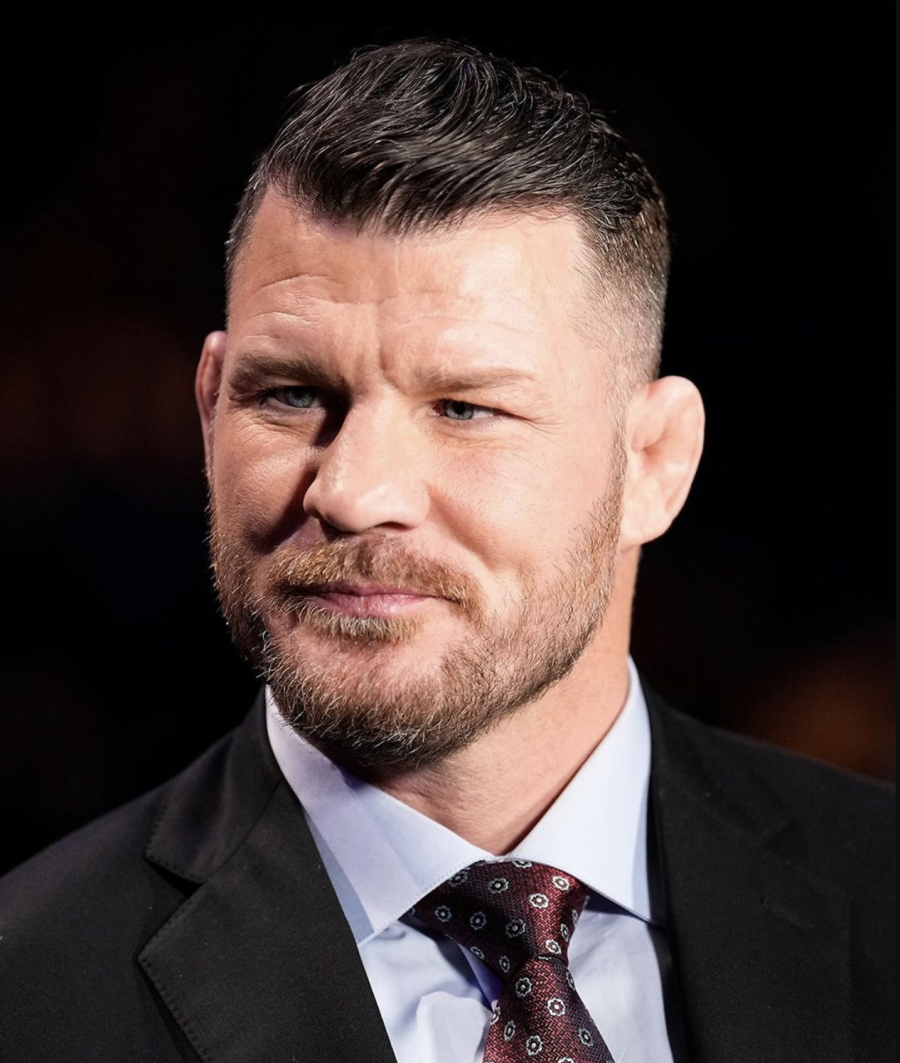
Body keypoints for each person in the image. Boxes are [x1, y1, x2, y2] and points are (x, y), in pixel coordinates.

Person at [0, 38, 893, 1063]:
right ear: (210, 414)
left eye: (464, 407)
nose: (351, 490)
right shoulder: (32, 995)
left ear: (652, 461)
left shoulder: (877, 888)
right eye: (291, 395)